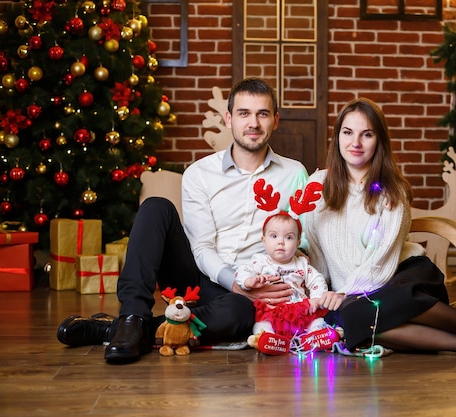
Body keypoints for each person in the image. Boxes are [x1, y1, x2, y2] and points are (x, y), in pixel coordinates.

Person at [57, 78, 309, 363]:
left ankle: (122, 330)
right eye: (244, 113)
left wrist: (280, 281)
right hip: (198, 276)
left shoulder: (295, 173)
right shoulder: (200, 173)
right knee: (156, 206)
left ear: (275, 120)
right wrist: (235, 282)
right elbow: (201, 248)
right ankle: (131, 315)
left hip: (254, 287)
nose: (253, 123)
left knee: (239, 314)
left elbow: (304, 238)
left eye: (262, 114)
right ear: (229, 119)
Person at [300, 97, 456, 361]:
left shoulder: (390, 191)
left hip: (401, 276)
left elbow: (380, 262)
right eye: (348, 132)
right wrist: (320, 293)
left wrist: (343, 293)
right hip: (353, 296)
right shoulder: (318, 185)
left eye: (367, 134)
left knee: (366, 308)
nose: (356, 143)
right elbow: (314, 248)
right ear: (337, 136)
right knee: (351, 319)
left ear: (379, 141)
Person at [235, 179, 341, 354]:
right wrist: (249, 281)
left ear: (299, 242)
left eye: (289, 237)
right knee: (262, 322)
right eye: (274, 236)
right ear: (263, 240)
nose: (281, 243)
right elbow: (241, 271)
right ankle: (267, 340)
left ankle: (315, 336)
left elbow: (317, 280)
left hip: (299, 308)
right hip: (272, 309)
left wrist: (316, 297)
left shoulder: (301, 263)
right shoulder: (259, 261)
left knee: (315, 319)